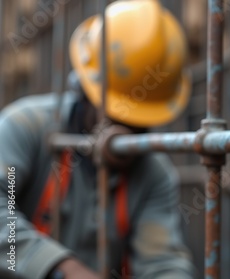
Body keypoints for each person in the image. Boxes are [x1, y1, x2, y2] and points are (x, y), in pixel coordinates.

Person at [0, 0, 194, 278]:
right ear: (87, 90)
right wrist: (60, 269)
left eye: (141, 120)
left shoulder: (154, 174)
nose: (127, 131)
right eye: (117, 114)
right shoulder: (25, 127)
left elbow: (162, 263)